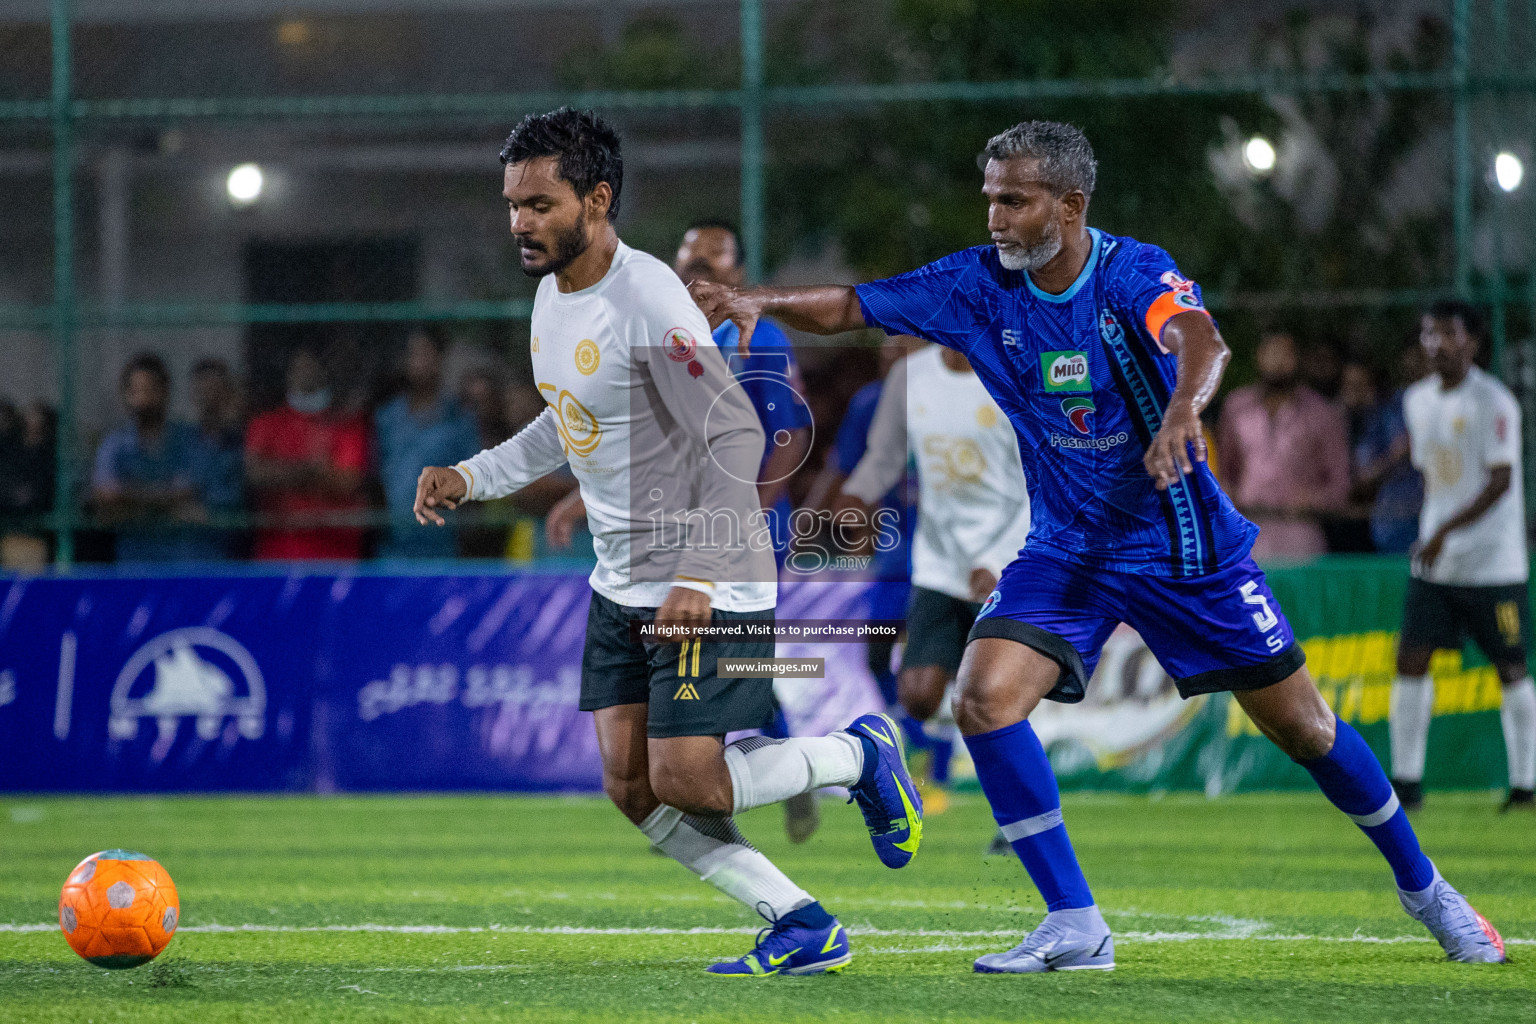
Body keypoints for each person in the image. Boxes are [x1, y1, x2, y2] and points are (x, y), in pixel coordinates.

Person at [690, 119, 1506, 971]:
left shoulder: (1130, 273)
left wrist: (1185, 408)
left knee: (1305, 729)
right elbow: (858, 305)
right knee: (982, 697)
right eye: (990, 199)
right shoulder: (976, 285)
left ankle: (1427, 890)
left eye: (1015, 200)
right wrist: (762, 301)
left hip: (1184, 549)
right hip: (1068, 549)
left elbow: (1201, 339)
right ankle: (1075, 922)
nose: (995, 218)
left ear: (1070, 205)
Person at [410, 108, 923, 977]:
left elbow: (733, 434)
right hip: (623, 581)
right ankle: (799, 920)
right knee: (631, 786)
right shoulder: (552, 296)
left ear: (597, 199)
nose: (520, 223)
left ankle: (857, 754)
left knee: (689, 780)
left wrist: (697, 571)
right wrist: (472, 475)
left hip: (709, 574)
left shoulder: (648, 297)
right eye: (513, 204)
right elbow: (563, 422)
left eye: (539, 204)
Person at [544, 220, 820, 841]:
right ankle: (698, 789)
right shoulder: (660, 335)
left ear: (739, 277)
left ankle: (718, 786)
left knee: (722, 661)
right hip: (662, 533)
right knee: (706, 666)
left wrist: (743, 511)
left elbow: (789, 434)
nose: (703, 275)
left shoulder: (760, 337)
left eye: (717, 265)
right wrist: (581, 498)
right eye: (692, 261)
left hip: (732, 539)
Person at [839, 344, 1032, 826]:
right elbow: (885, 456)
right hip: (938, 563)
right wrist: (856, 494)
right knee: (920, 694)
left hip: (1005, 560)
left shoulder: (1010, 373)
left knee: (998, 695)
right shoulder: (910, 375)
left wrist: (996, 559)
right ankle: (909, 772)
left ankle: (1020, 815)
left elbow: (1038, 482)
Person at [1390, 301, 1533, 813]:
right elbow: (1432, 473)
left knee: (1511, 666)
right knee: (1410, 660)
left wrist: (1443, 530)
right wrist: (1433, 529)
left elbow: (1500, 482)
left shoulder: (1495, 402)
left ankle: (1526, 785)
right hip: (1437, 561)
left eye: (1449, 334)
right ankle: (1406, 782)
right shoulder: (1417, 400)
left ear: (1473, 342)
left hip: (1495, 563)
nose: (1437, 344)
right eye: (1430, 334)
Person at [1217, 331, 1351, 558]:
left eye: (1285, 354)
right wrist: (1228, 494)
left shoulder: (1322, 413)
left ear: (1298, 360)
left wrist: (1314, 500)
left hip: (1300, 533)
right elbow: (1224, 470)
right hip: (1246, 530)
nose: (1278, 361)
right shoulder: (1236, 407)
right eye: (1271, 353)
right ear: (1259, 357)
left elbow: (1341, 485)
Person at [90, 353, 222, 563]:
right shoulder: (115, 444)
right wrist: (168, 501)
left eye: (150, 390)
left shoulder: (190, 439)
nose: (143, 399)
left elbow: (190, 491)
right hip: (134, 562)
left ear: (165, 391)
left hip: (186, 560)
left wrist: (131, 503)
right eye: (135, 391)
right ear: (126, 395)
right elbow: (106, 497)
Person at [245, 348, 370, 561]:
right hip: (277, 553)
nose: (305, 373)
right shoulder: (265, 423)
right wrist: (311, 470)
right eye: (299, 367)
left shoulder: (348, 424)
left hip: (336, 554)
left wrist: (282, 473)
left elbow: (346, 481)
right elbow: (255, 475)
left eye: (311, 366)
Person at [375, 329, 479, 558]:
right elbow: (376, 481)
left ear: (439, 360)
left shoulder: (460, 417)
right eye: (413, 355)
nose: (419, 362)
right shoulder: (387, 417)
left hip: (443, 549)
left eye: (425, 354)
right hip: (393, 550)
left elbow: (475, 482)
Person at [188, 358, 247, 558]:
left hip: (232, 552)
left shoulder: (243, 443)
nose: (208, 398)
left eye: (215, 389)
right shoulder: (182, 441)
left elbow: (234, 503)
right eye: (202, 390)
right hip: (189, 551)